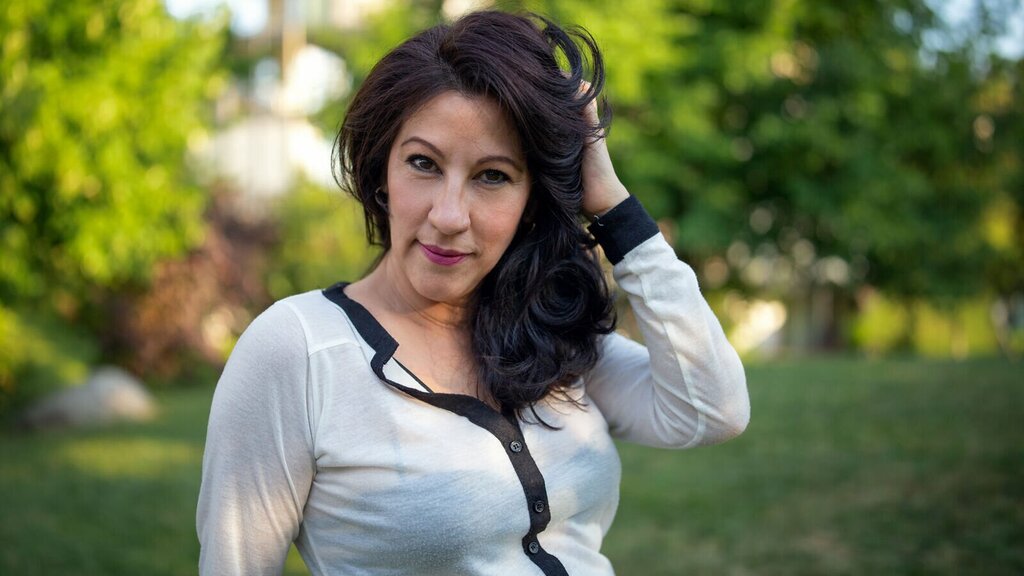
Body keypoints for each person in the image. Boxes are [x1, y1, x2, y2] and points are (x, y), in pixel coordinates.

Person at [197, 10, 749, 576]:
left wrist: (612, 205)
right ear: (381, 170)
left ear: (531, 200)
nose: (449, 216)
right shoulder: (298, 350)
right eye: (423, 164)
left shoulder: (549, 326)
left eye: (492, 176)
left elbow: (712, 410)